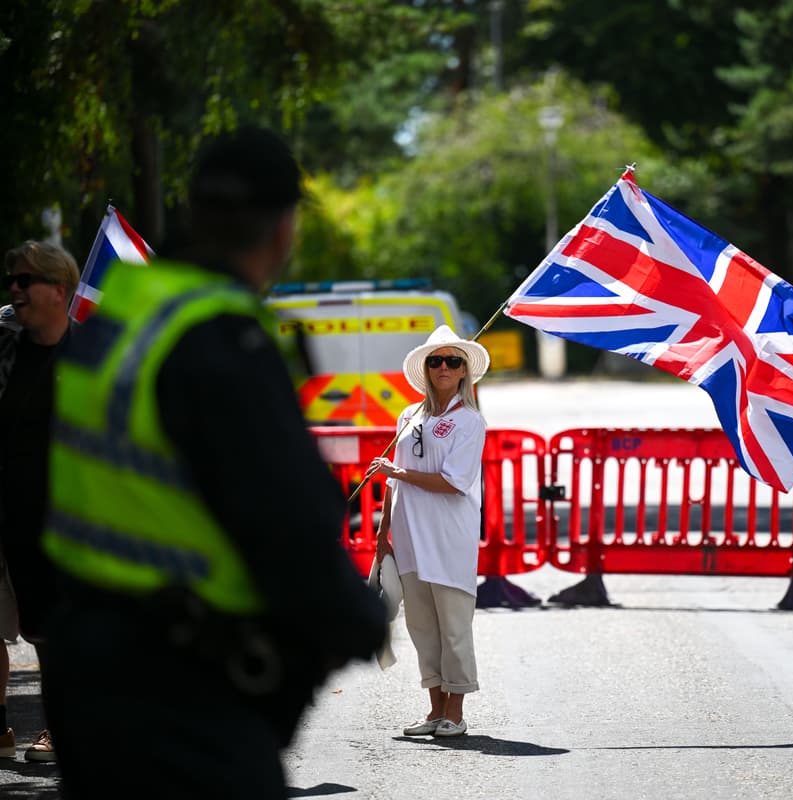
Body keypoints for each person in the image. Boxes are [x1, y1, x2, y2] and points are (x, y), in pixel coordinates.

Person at [39, 127, 387, 798]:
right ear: (284, 229)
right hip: (183, 689)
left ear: (192, 211)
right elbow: (288, 518)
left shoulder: (123, 312)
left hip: (84, 665)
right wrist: (359, 620)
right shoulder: (219, 335)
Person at [370, 324, 489, 738]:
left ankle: (455, 712)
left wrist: (398, 471)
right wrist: (384, 534)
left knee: (453, 626)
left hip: (448, 538)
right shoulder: (409, 416)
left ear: (463, 372)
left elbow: (454, 481)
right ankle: (435, 709)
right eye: (435, 360)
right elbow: (391, 483)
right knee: (422, 628)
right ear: (425, 368)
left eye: (452, 361)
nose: (443, 367)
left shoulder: (470, 421)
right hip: (408, 536)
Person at [0, 241, 81, 763]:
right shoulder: (4, 347)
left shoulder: (90, 356)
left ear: (58, 290)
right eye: (11, 278)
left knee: (56, 636)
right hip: (10, 516)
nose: (14, 288)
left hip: (68, 523)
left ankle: (65, 731)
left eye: (24, 279)